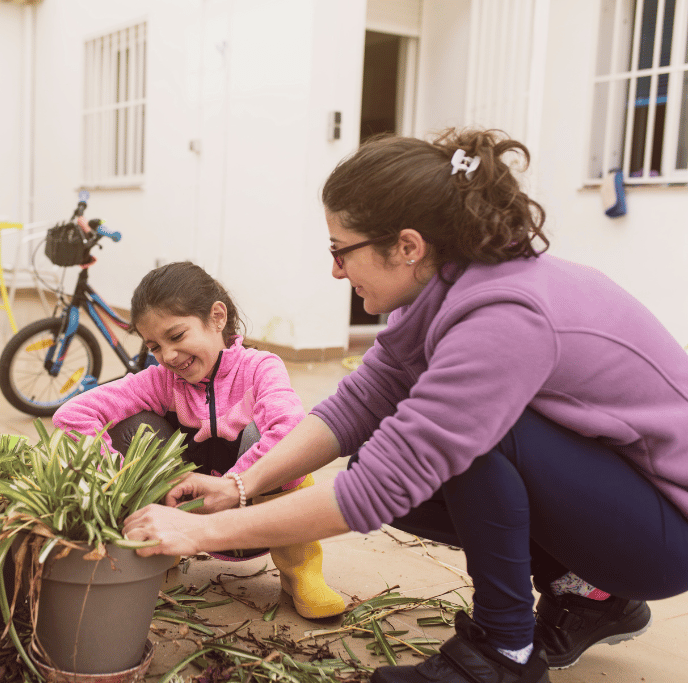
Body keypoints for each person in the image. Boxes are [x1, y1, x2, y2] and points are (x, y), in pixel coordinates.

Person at [123, 129, 688, 683]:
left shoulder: (503, 316)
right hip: (620, 497)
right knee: (380, 444)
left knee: (471, 442)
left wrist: (198, 534)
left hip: (665, 533)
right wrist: (240, 484)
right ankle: (590, 594)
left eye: (342, 251)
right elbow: (359, 403)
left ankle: (503, 652)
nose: (336, 270)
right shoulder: (447, 293)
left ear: (408, 246)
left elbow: (381, 489)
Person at [53, 261, 346, 619]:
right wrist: (120, 479)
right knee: (134, 427)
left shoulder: (260, 368)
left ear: (217, 317)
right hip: (183, 513)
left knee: (279, 441)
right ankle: (161, 551)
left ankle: (301, 571)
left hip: (259, 517)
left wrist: (230, 487)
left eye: (176, 336)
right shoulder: (161, 380)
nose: (169, 356)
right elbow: (72, 415)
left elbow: (289, 430)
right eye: (155, 346)